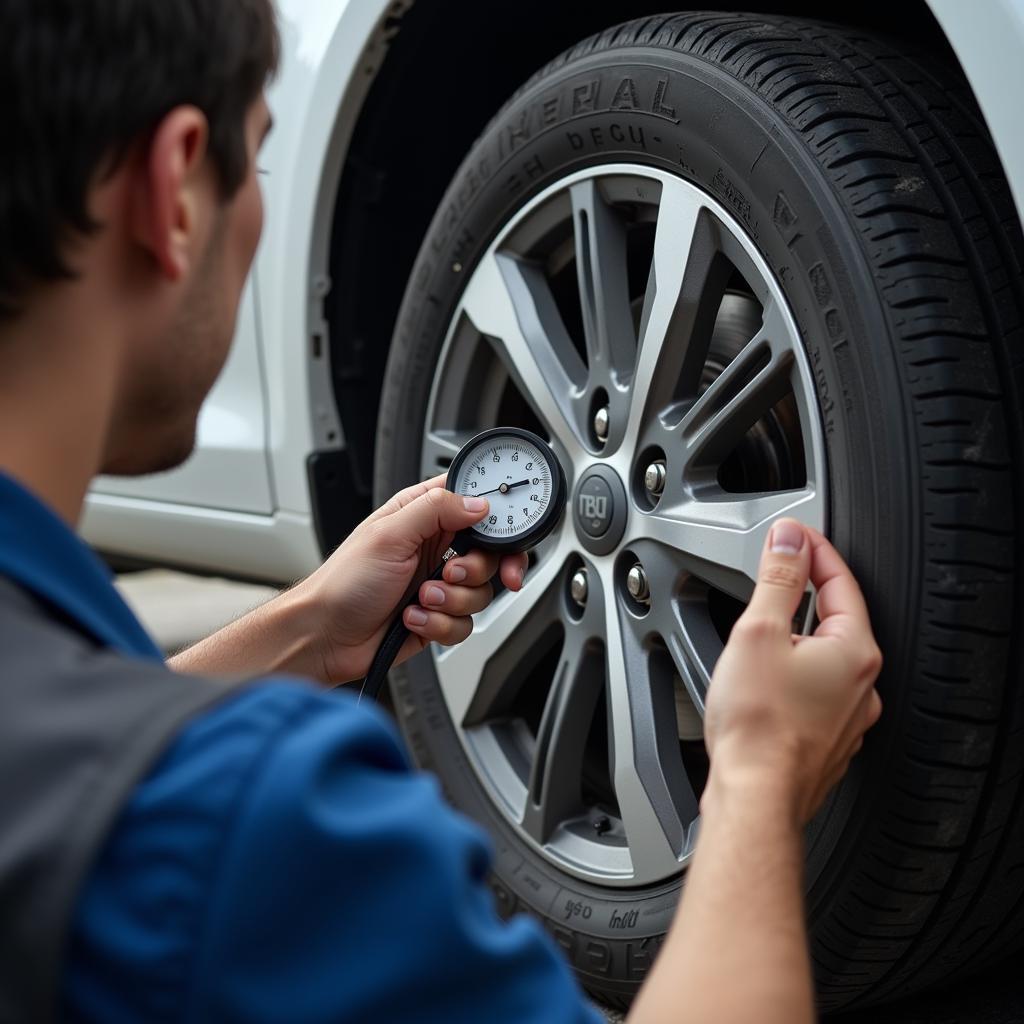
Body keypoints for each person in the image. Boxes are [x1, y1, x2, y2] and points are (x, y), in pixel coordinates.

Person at [0, 2, 883, 1022]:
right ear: (177, 193)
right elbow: (141, 800)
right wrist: (758, 783)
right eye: (258, 164)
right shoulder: (254, 833)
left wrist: (307, 633)